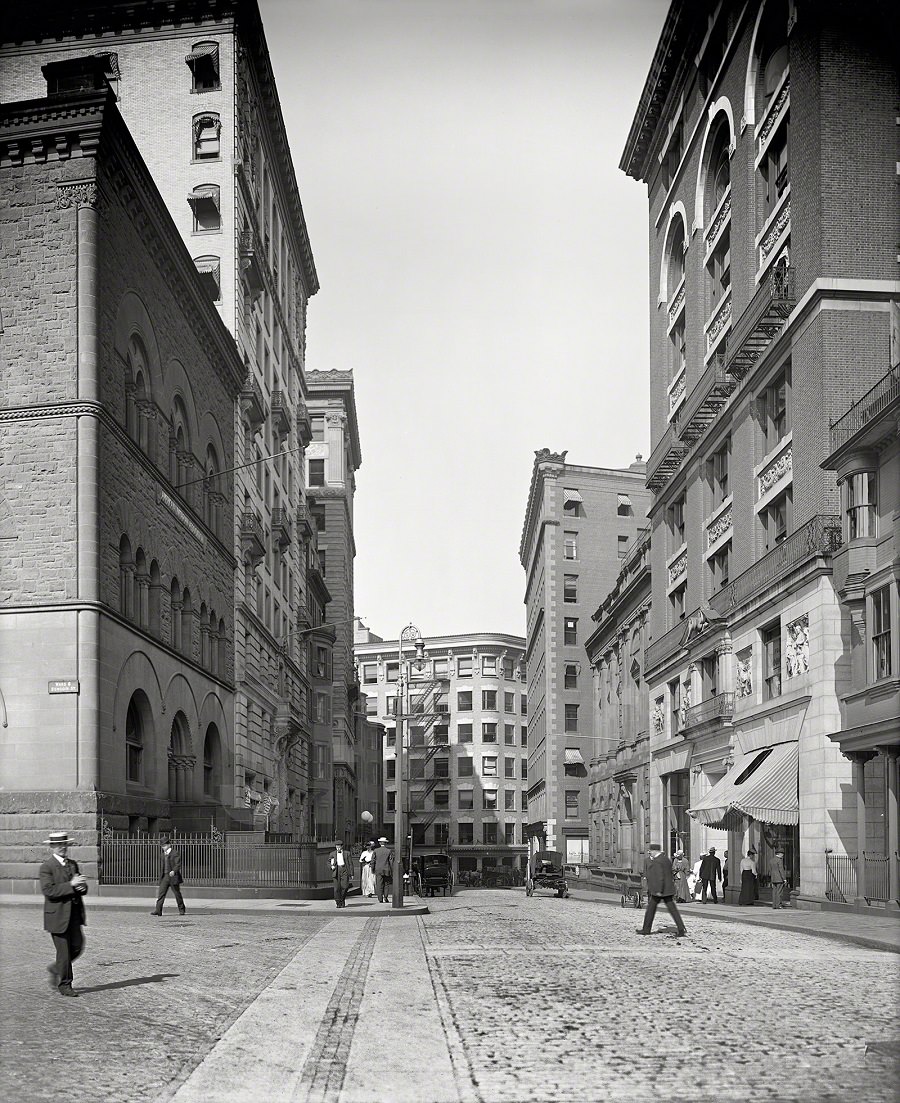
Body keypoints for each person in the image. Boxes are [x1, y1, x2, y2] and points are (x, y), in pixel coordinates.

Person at [39, 829, 88, 997]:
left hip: (74, 915)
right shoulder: (47, 867)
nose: (62, 848)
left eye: (65, 844)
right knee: (64, 952)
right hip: (57, 917)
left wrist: (82, 887)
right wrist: (71, 885)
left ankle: (56, 968)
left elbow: (80, 885)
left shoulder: (73, 864)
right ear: (52, 847)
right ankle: (65, 984)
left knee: (77, 946)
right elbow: (49, 891)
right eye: (59, 845)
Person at [636, 843, 687, 938]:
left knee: (651, 909)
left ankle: (646, 929)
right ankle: (681, 929)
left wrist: (658, 890)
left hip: (660, 890)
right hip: (668, 889)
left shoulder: (657, 861)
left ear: (655, 851)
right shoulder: (666, 859)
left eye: (650, 851)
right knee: (673, 910)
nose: (650, 852)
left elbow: (660, 876)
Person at [151, 832, 185, 916]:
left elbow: (178, 864)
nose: (163, 847)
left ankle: (181, 909)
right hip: (165, 877)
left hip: (173, 877)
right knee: (161, 893)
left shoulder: (175, 853)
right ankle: (158, 910)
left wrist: (174, 871)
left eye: (164, 845)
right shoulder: (162, 855)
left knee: (177, 894)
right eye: (162, 846)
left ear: (169, 845)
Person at [329, 839, 352, 908]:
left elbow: (350, 864)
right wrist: (331, 866)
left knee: (345, 887)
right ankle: (338, 902)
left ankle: (342, 899)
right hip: (336, 870)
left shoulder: (347, 853)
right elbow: (328, 862)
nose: (338, 848)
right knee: (336, 888)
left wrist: (352, 873)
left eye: (339, 846)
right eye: (336, 846)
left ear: (342, 846)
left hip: (344, 869)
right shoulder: (332, 853)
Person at [372, 836, 393, 903]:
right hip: (386, 869)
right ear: (385, 843)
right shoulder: (389, 851)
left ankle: (380, 899)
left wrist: (373, 869)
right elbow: (391, 861)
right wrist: (391, 870)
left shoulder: (376, 851)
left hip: (378, 869)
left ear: (380, 843)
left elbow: (373, 861)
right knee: (386, 884)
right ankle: (386, 897)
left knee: (379, 884)